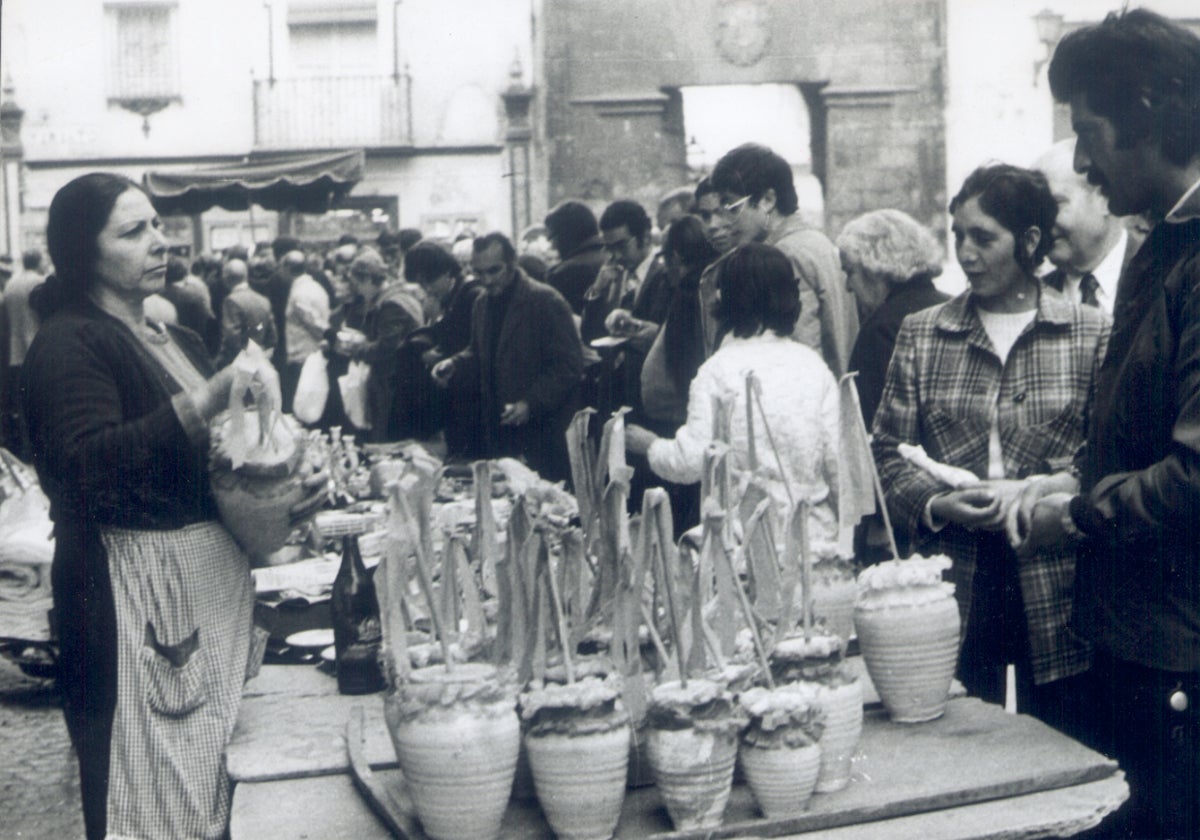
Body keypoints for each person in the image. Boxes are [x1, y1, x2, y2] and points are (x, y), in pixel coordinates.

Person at [20, 173, 325, 840]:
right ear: (83, 253)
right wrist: (206, 400)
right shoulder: (70, 342)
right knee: (150, 805)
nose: (160, 243)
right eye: (134, 232)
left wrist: (281, 495)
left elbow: (208, 468)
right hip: (130, 608)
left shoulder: (171, 334)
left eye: (157, 225)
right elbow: (79, 469)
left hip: (197, 603)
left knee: (205, 800)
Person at [1011, 11, 1200, 837]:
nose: (1082, 161)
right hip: (1145, 640)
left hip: (1179, 653)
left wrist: (1078, 513)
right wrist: (1077, 480)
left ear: (1150, 112)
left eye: (1089, 132)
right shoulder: (1166, 243)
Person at [871, 164, 1110, 738]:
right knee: (952, 737)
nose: (966, 253)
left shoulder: (1090, 333)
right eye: (958, 236)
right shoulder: (923, 333)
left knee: (1061, 743)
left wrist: (1039, 489)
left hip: (1057, 580)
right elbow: (885, 453)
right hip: (956, 579)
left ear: (1029, 242)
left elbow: (1105, 460)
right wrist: (936, 504)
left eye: (983, 237)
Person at [625, 243, 843, 554]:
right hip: (814, 537)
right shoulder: (813, 366)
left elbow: (690, 462)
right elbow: (838, 463)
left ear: (724, 298)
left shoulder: (717, 370)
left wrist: (648, 444)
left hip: (742, 545)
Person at [432, 233, 582, 485]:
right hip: (501, 431)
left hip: (544, 433)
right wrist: (454, 363)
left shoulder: (544, 300)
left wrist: (530, 403)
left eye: (494, 270)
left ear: (513, 264)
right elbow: (479, 351)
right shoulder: (482, 303)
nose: (487, 280)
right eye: (479, 273)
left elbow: (569, 366)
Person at [710, 142, 858, 376]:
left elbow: (801, 352)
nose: (722, 222)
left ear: (768, 200)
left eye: (731, 206)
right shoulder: (816, 241)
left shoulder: (783, 256)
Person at [636, 215, 720, 535]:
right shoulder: (709, 285)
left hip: (680, 424)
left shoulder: (689, 292)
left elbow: (688, 364)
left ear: (674, 258)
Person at [836, 209, 949, 427]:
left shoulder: (881, 329)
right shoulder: (955, 307)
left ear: (874, 267)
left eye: (850, 272)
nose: (847, 286)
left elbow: (868, 427)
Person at [1033, 138, 1133, 314]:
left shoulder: (1165, 277)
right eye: (1035, 210)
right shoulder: (1035, 300)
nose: (1041, 223)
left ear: (1105, 198)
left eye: (1053, 205)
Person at [404, 241, 485, 457]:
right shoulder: (455, 296)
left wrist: (442, 356)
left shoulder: (471, 295)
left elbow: (472, 346)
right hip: (459, 396)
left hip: (473, 400)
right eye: (422, 285)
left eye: (429, 281)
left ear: (447, 272)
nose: (427, 289)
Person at [1, 248, 45, 459]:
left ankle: (26, 448)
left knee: (21, 402)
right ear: (38, 261)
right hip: (37, 348)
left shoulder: (11, 285)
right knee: (40, 402)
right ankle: (38, 449)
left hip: (15, 350)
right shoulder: (39, 282)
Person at [543, 200, 606, 316]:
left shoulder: (561, 274)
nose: (552, 245)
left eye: (551, 238)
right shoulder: (617, 259)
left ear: (565, 235)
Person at [217, 257, 276, 366]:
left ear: (225, 278)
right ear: (246, 275)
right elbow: (272, 336)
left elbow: (231, 337)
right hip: (261, 360)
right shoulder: (263, 300)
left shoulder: (231, 301)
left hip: (240, 363)